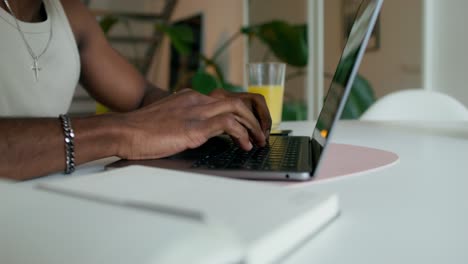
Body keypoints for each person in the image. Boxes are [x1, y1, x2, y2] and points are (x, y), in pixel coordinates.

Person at [0, 0, 271, 180]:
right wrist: (121, 132)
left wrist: (201, 110)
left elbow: (141, 95)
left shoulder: (71, 15)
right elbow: (130, 125)